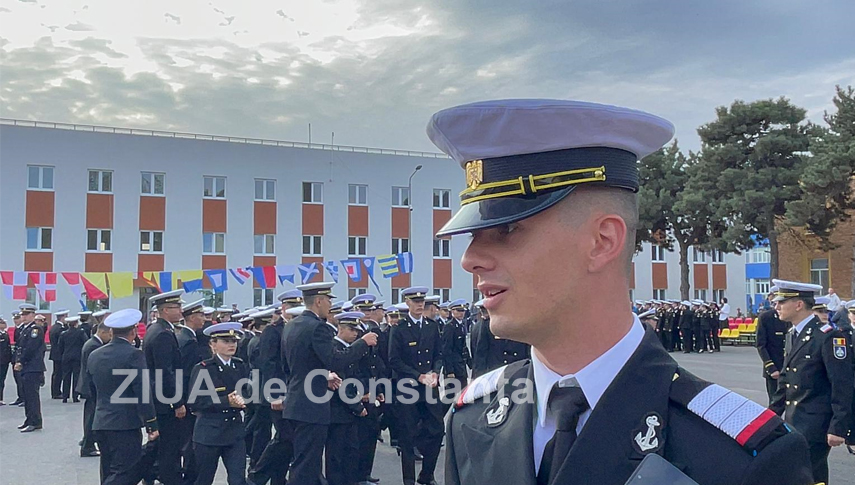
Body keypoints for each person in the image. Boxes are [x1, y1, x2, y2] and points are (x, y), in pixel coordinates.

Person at [427, 99, 813, 484]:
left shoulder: (741, 455)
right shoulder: (472, 418)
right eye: (474, 236)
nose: (470, 259)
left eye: (505, 230)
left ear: (602, 241)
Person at [282, 282, 376, 485]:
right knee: (307, 464)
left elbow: (293, 365)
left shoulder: (291, 325)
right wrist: (362, 343)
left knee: (304, 461)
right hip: (312, 405)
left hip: (296, 401)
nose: (329, 306)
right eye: (328, 301)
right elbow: (335, 359)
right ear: (318, 301)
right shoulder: (318, 328)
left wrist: (323, 376)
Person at [769, 280, 854, 484]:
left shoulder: (828, 337)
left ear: (799, 304)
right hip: (794, 419)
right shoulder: (793, 334)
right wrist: (770, 415)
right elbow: (786, 380)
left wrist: (838, 426)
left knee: (808, 473)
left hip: (816, 422)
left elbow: (842, 384)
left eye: (782, 301)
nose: (776, 306)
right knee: (804, 474)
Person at [88, 308, 159, 484]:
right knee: (125, 471)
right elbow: (142, 391)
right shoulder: (134, 354)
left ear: (111, 331)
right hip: (125, 424)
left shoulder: (94, 354)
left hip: (101, 420)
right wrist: (151, 424)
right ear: (134, 331)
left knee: (108, 469)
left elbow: (91, 390)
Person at [389, 286, 445, 485]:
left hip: (429, 386)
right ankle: (409, 480)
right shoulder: (399, 329)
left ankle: (427, 475)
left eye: (422, 302)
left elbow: (438, 355)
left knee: (437, 430)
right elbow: (394, 360)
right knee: (407, 435)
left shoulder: (431, 326)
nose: (420, 305)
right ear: (407, 304)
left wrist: (435, 372)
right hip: (408, 387)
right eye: (415, 302)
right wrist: (417, 375)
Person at [248, 290, 303, 485]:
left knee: (288, 439)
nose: (294, 310)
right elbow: (268, 364)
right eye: (290, 306)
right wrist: (276, 394)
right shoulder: (273, 331)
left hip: (295, 393)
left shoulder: (298, 328)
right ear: (283, 309)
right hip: (277, 393)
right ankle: (257, 475)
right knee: (284, 437)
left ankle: (277, 478)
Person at [188, 322, 250, 485]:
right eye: (226, 341)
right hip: (210, 432)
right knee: (204, 479)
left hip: (234, 431)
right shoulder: (204, 368)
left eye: (234, 341)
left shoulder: (239, 365)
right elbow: (195, 402)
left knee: (238, 479)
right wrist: (226, 401)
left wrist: (245, 400)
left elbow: (246, 392)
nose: (231, 345)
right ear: (213, 344)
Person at [142, 289, 187, 485]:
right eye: (177, 307)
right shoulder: (162, 334)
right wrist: (176, 402)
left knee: (161, 444)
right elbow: (165, 372)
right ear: (165, 310)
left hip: (157, 397)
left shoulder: (158, 329)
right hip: (164, 400)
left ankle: (150, 475)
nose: (180, 310)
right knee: (170, 448)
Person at [325, 311, 370, 485]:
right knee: (336, 456)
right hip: (337, 410)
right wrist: (357, 406)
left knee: (351, 452)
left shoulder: (350, 349)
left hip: (349, 410)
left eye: (356, 330)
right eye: (351, 329)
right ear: (340, 329)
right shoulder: (335, 348)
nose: (355, 333)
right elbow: (341, 384)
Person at [176, 298, 209, 484]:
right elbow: (187, 375)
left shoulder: (189, 337)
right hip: (189, 399)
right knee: (190, 443)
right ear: (190, 317)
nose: (204, 319)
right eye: (200, 315)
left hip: (187, 398)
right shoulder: (187, 341)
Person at [79, 321, 112, 457]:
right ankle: (87, 445)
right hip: (91, 387)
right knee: (91, 418)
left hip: (88, 386)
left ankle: (88, 442)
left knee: (90, 416)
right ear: (102, 332)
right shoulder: (93, 346)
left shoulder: (93, 343)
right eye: (109, 335)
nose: (110, 338)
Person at [14, 304, 46, 432]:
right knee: (27, 395)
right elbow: (20, 348)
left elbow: (30, 349)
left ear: (33, 315)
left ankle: (35, 421)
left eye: (27, 315)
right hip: (27, 367)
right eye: (23, 315)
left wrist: (21, 361)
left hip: (32, 367)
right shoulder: (25, 329)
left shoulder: (35, 329)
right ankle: (29, 419)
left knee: (32, 396)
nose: (24, 317)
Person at [755, 289, 788, 406]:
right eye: (776, 302)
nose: (778, 306)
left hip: (790, 370)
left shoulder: (790, 318)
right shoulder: (766, 318)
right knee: (775, 404)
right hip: (775, 369)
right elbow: (761, 345)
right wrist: (771, 367)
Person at [57, 315, 87, 403]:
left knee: (66, 376)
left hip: (66, 357)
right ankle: (75, 396)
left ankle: (65, 397)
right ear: (76, 323)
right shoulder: (81, 333)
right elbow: (85, 343)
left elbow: (60, 346)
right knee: (76, 377)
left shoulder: (64, 334)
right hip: (77, 357)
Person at [48, 309, 68, 399]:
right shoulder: (59, 329)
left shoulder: (54, 327)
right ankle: (56, 392)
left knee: (56, 373)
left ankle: (55, 391)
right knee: (58, 374)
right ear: (62, 317)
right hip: (59, 354)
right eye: (65, 317)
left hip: (55, 353)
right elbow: (60, 343)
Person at [0, 317, 12, 405]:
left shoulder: (5, 333)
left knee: (2, 380)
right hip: (0, 361)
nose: (4, 324)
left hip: (5, 361)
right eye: (2, 323)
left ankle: (0, 398)